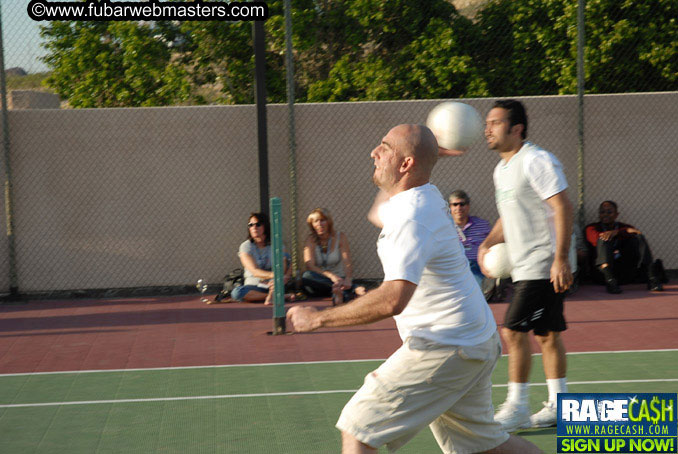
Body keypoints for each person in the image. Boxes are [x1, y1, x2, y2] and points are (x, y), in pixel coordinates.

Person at [288, 124, 539, 454]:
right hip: (473, 339)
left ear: (406, 165)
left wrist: (317, 319)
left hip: (446, 345)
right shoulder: (423, 194)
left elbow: (394, 299)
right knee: (482, 446)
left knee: (358, 428)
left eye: (384, 147)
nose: (373, 153)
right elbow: (378, 211)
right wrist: (427, 157)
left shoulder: (412, 216)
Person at [478, 100, 573, 432]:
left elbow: (562, 207)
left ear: (516, 128)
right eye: (486, 123)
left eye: (494, 122)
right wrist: (488, 243)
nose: (487, 128)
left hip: (542, 264)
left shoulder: (537, 160)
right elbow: (509, 214)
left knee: (513, 330)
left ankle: (517, 407)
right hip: (524, 266)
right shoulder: (502, 169)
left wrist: (560, 258)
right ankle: (559, 407)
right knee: (547, 335)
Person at [584, 200, 663, 294]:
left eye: (609, 212)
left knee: (638, 238)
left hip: (625, 272)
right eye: (602, 212)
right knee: (603, 239)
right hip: (602, 275)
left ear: (616, 215)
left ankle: (652, 278)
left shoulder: (623, 226)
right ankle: (610, 281)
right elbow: (595, 238)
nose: (605, 214)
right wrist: (616, 234)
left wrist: (616, 232)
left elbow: (636, 232)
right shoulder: (591, 227)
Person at [302, 208, 366, 305]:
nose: (319, 224)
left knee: (341, 287)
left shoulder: (340, 237)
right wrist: (330, 276)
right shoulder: (310, 240)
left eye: (322, 220)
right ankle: (351, 288)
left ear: (328, 222)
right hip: (320, 281)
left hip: (340, 278)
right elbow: (310, 265)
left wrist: (348, 278)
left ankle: (339, 293)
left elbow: (347, 262)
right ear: (312, 225)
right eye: (315, 221)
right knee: (307, 276)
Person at [231, 212, 295, 305]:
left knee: (279, 279)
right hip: (255, 285)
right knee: (237, 293)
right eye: (251, 225)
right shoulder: (246, 246)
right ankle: (278, 296)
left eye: (258, 224)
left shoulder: (277, 244)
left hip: (274, 283)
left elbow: (283, 265)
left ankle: (273, 294)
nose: (254, 227)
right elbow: (254, 271)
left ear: (265, 226)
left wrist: (278, 278)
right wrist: (275, 275)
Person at [448, 190, 491, 286]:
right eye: (455, 204)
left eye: (462, 204)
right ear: (450, 207)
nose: (458, 208)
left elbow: (491, 245)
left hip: (477, 267)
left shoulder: (482, 224)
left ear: (468, 206)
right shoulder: (444, 227)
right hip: (455, 267)